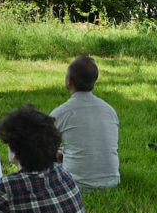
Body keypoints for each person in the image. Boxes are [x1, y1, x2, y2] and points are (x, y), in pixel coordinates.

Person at [50, 55, 120, 191]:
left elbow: (41, 151)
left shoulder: (61, 113)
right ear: (94, 81)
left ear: (69, 81)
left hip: (74, 185)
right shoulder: (110, 110)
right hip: (112, 182)